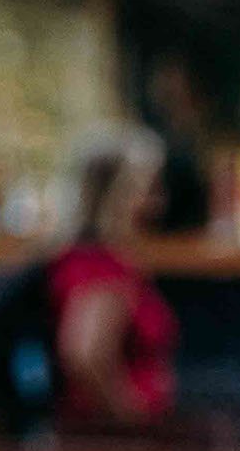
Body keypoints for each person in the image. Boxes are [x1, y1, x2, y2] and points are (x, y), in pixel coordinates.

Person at [48, 131, 179, 429]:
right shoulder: (102, 267)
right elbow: (85, 353)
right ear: (116, 194)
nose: (158, 202)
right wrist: (128, 415)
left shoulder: (84, 257)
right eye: (148, 189)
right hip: (111, 445)